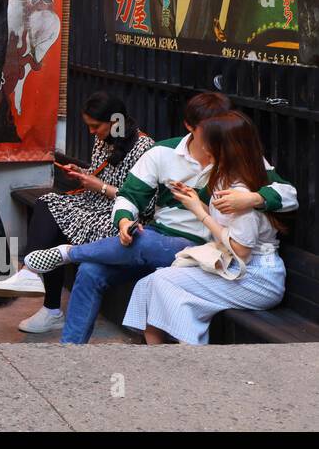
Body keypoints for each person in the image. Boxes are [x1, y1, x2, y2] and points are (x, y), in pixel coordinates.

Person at [22, 92, 297, 344]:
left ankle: (69, 253)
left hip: (203, 248)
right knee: (92, 271)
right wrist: (123, 222)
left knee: (147, 247)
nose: (218, 133)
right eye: (211, 128)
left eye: (221, 126)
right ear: (190, 126)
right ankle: (71, 348)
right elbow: (129, 196)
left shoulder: (233, 156)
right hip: (159, 238)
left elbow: (287, 194)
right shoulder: (162, 153)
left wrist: (254, 198)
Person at [0, 91, 155, 335]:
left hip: (121, 216)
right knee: (47, 204)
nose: (91, 132)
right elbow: (102, 175)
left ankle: (44, 297)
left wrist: (101, 187)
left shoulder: (145, 148)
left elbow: (145, 204)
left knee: (57, 219)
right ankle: (34, 280)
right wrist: (83, 173)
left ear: (115, 121)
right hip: (92, 203)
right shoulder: (104, 139)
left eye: (95, 126)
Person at [123, 111, 287, 345]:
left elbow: (241, 251)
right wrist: (195, 201)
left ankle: (194, 358)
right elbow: (228, 226)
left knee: (164, 283)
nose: (203, 147)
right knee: (149, 283)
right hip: (236, 268)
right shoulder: (225, 177)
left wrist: (199, 212)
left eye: (210, 143)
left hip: (257, 278)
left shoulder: (240, 193)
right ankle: (158, 359)